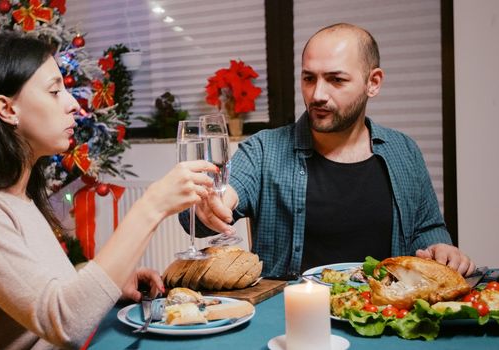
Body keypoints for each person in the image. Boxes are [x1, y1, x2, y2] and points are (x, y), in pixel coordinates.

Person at [0, 33, 216, 349]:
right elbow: (66, 323)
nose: (73, 104)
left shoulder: (17, 193)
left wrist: (108, 284)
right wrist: (152, 205)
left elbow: (42, 289)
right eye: (55, 91)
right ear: (7, 109)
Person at [184, 23, 475, 278]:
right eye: (309, 78)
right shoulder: (263, 150)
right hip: (293, 319)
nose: (317, 95)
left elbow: (427, 228)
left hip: (381, 314)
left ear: (373, 83)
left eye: (336, 80)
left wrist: (441, 247)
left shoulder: (404, 150)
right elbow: (200, 216)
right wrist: (211, 206)